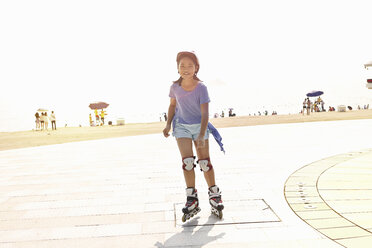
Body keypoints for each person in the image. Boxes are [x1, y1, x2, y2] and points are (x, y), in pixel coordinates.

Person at [163, 51, 224, 222]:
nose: (186, 69)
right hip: (181, 126)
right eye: (182, 65)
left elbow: (205, 114)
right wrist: (168, 124)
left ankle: (214, 194)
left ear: (196, 68)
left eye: (190, 65)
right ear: (177, 68)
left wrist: (202, 134)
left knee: (205, 163)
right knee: (187, 162)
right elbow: (172, 106)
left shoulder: (201, 87)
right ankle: (192, 199)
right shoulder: (174, 87)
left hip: (200, 126)